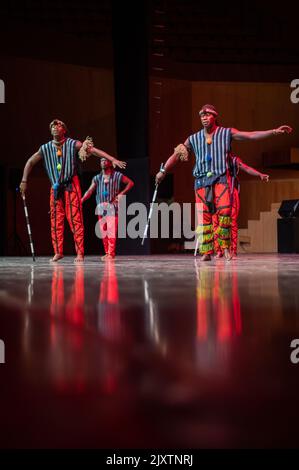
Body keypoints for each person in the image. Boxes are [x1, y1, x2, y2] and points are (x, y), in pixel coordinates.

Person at [155, 104, 292, 261]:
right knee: (204, 217)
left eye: (207, 115)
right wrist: (163, 171)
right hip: (201, 181)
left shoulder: (226, 133)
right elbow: (176, 155)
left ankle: (225, 248)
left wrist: (273, 132)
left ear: (215, 116)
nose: (204, 118)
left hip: (221, 178)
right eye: (201, 116)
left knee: (225, 213)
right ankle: (207, 251)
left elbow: (250, 135)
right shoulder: (193, 139)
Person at [19, 119, 126, 263]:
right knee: (56, 220)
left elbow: (92, 150)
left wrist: (112, 158)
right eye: (53, 126)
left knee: (76, 220)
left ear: (64, 130)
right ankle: (58, 252)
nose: (55, 127)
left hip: (71, 186)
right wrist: (24, 180)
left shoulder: (72, 144)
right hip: (56, 188)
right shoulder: (45, 148)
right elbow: (30, 162)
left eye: (59, 125)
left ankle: (80, 253)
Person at [213, 154, 269, 259]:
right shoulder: (214, 159)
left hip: (231, 193)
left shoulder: (233, 160)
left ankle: (233, 251)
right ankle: (219, 250)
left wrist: (259, 174)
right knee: (216, 221)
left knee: (232, 222)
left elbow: (246, 168)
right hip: (217, 193)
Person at [81, 158, 134, 260]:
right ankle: (107, 252)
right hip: (101, 207)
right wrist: (82, 199)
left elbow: (130, 183)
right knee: (103, 231)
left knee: (111, 231)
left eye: (105, 160)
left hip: (112, 207)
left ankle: (111, 253)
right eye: (101, 161)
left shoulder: (117, 176)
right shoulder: (97, 178)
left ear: (110, 163)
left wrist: (121, 193)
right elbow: (90, 190)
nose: (103, 162)